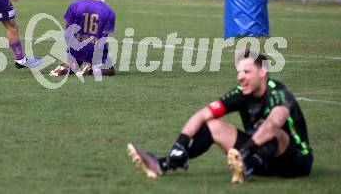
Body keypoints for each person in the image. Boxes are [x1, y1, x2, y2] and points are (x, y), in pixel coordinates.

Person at [127, 50, 312, 183]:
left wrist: (244, 153)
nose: (240, 77)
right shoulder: (241, 93)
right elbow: (202, 114)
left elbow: (273, 125)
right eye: (239, 72)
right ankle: (162, 164)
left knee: (272, 130)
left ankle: (245, 164)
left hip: (295, 163)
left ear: (262, 72)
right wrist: (180, 144)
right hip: (259, 159)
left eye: (246, 72)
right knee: (212, 125)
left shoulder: (279, 93)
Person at [49, 0, 116, 77]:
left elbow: (68, 32)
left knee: (75, 59)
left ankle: (67, 66)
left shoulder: (76, 4)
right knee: (110, 70)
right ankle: (90, 69)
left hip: (75, 49)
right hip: (93, 51)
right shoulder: (109, 12)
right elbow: (102, 39)